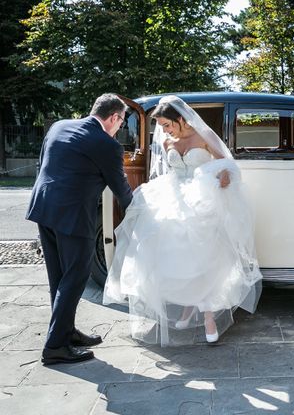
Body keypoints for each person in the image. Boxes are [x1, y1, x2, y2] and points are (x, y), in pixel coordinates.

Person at [103, 95, 261, 347]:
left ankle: (208, 317)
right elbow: (166, 172)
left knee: (204, 258)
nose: (164, 130)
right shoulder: (166, 142)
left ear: (180, 119)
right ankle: (188, 308)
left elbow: (227, 164)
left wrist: (223, 175)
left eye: (167, 124)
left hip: (204, 201)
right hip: (174, 199)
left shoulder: (203, 137)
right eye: (162, 126)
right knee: (177, 257)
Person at [26, 93, 133, 365]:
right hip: (73, 217)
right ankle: (55, 348)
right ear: (113, 117)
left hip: (44, 208)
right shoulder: (106, 145)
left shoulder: (59, 126)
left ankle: (65, 331)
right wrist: (138, 210)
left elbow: (44, 165)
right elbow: (120, 187)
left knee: (59, 278)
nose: (120, 127)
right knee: (75, 278)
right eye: (121, 122)